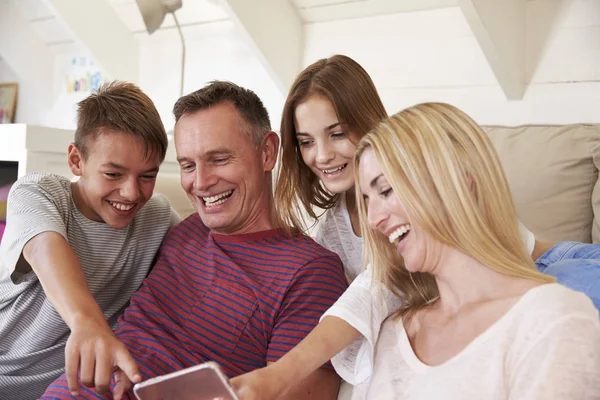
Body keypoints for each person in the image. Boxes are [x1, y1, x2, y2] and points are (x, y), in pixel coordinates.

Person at [232, 54, 600, 399]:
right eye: (307, 142)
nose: (323, 155)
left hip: (548, 262)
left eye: (338, 133)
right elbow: (361, 304)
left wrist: (280, 374)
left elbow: (372, 291)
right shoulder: (332, 231)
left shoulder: (420, 173)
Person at [41, 81, 348, 400]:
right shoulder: (182, 230)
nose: (200, 183)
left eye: (218, 159)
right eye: (188, 165)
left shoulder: (311, 272)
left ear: (267, 152)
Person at [348, 102, 600, 398]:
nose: (372, 219)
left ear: (460, 186)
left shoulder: (553, 320)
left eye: (386, 190)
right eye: (366, 199)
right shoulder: (393, 333)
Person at [0, 81, 180, 400]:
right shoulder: (37, 192)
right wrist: (89, 323)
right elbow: (45, 247)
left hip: (62, 391)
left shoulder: (158, 217)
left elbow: (206, 259)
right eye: (113, 174)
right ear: (76, 160)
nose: (131, 192)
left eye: (148, 176)